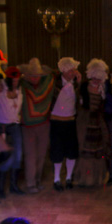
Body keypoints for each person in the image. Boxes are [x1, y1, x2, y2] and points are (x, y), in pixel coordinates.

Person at [20, 58, 56, 194]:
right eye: (32, 76)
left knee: (41, 155)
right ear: (27, 76)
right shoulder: (21, 85)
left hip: (43, 124)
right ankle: (30, 183)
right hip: (27, 127)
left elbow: (52, 75)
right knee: (30, 156)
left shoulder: (45, 84)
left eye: (37, 76)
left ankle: (37, 180)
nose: (35, 78)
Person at [74, 59, 111, 187]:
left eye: (98, 78)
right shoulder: (83, 87)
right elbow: (77, 104)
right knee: (84, 150)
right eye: (94, 77)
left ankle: (96, 179)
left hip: (98, 124)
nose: (96, 80)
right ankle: (84, 179)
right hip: (84, 122)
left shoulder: (104, 89)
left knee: (97, 151)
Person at [49, 57, 82, 191]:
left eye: (74, 70)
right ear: (63, 70)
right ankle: (57, 179)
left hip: (70, 122)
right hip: (56, 122)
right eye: (70, 70)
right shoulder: (55, 83)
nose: (73, 73)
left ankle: (68, 178)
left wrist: (79, 83)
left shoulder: (76, 85)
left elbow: (80, 101)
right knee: (57, 151)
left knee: (71, 152)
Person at [0, 68, 24, 196]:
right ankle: (0, 188)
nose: (15, 83)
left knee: (18, 155)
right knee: (5, 155)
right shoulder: (0, 90)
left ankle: (13, 185)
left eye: (17, 80)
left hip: (15, 125)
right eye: (13, 81)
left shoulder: (19, 90)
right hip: (2, 126)